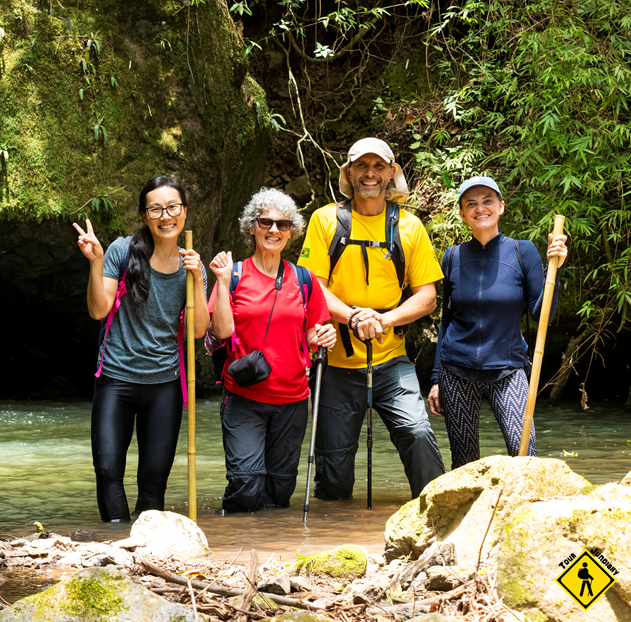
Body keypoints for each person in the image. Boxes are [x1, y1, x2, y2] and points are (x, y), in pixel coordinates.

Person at [298, 137, 445, 500]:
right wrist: (351, 317)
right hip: (334, 363)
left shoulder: (409, 227)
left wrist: (382, 320)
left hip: (390, 359)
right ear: (348, 173)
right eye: (361, 166)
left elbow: (427, 297)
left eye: (379, 167)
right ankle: (335, 538)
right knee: (333, 466)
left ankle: (437, 510)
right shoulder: (324, 220)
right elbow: (310, 286)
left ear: (391, 172)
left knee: (418, 433)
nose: (370, 174)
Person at [72, 176, 208, 523]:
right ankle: (116, 544)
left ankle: (146, 554)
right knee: (107, 470)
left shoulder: (192, 265)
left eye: (172, 207)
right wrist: (96, 262)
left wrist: (196, 280)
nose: (166, 216)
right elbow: (98, 310)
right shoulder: (121, 250)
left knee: (152, 482)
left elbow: (196, 331)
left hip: (164, 384)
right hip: (117, 378)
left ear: (184, 211)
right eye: (156, 209)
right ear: (145, 215)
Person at [208, 188, 336, 513]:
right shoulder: (233, 276)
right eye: (266, 222)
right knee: (246, 481)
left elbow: (313, 334)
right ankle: (233, 540)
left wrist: (325, 337)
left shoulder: (304, 280)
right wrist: (221, 284)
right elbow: (221, 331)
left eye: (283, 224)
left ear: (292, 232)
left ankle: (269, 551)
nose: (274, 230)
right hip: (244, 397)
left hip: (293, 400)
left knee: (280, 490)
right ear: (252, 227)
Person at [427, 176, 568, 469]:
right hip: (457, 372)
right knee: (464, 465)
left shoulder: (522, 251)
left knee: (525, 460)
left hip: (508, 369)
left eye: (487, 201)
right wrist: (436, 378)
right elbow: (446, 321)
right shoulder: (452, 256)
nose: (480, 209)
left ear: (501, 207)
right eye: (471, 204)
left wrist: (555, 271)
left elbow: (542, 316)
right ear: (464, 214)